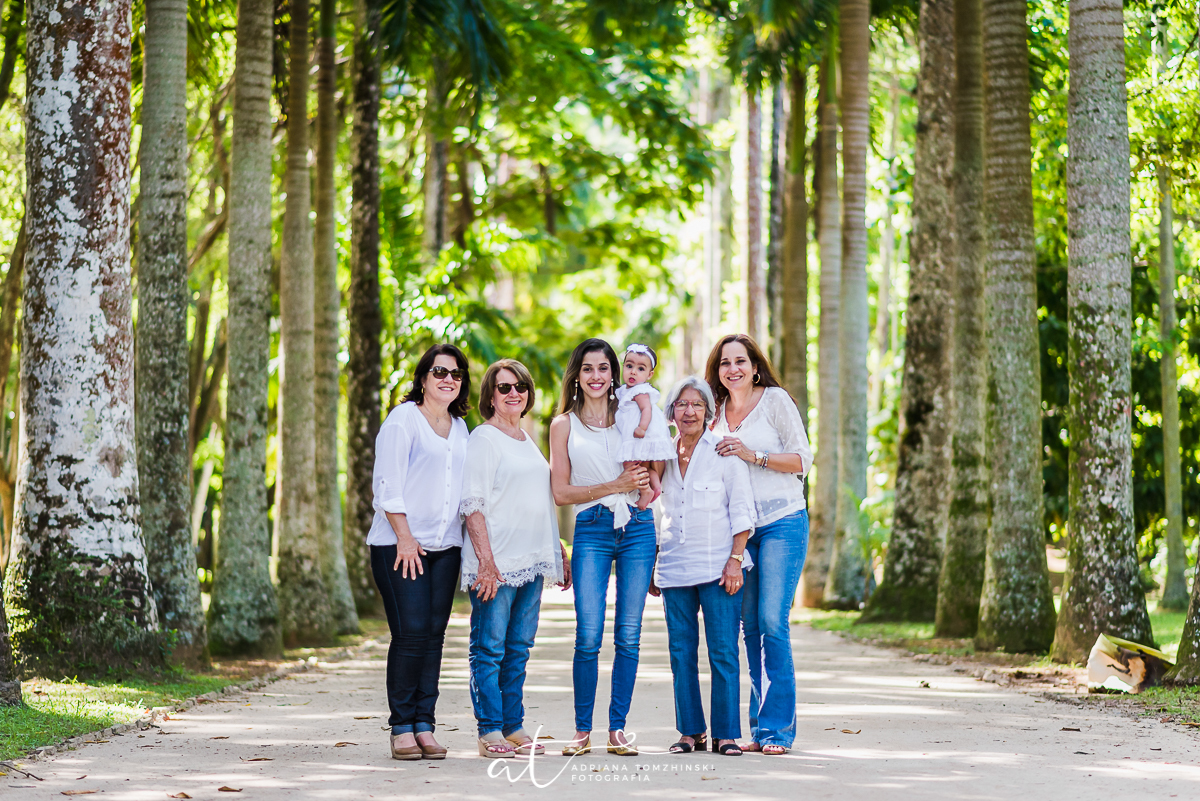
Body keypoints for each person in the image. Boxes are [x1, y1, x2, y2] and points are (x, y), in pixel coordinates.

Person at [706, 333, 813, 756]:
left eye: (740, 361)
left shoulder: (774, 401)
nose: (732, 369)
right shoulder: (713, 412)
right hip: (740, 531)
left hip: (782, 520)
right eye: (724, 363)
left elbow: (803, 459)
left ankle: (777, 732)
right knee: (749, 628)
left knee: (772, 621)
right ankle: (759, 728)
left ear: (754, 367)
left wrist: (754, 456)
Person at [548, 338, 653, 757]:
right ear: (577, 374)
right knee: (588, 635)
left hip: (638, 526)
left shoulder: (633, 414)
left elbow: (657, 461)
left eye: (604, 368)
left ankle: (617, 729)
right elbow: (560, 492)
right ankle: (581, 729)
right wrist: (614, 485)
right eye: (588, 368)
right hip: (591, 527)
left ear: (615, 374)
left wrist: (644, 489)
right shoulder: (562, 425)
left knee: (628, 635)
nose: (596, 376)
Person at [460, 359, 569, 759]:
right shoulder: (484, 439)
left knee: (519, 647)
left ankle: (513, 725)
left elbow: (538, 499)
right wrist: (486, 563)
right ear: (490, 394)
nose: (513, 393)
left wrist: (557, 548)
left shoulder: (526, 439)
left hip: (532, 561)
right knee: (488, 647)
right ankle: (489, 730)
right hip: (497, 564)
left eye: (520, 386)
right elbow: (472, 503)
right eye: (504, 387)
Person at [369, 344, 471, 761]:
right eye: (439, 372)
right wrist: (406, 537)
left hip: (446, 548)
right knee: (410, 635)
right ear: (424, 377)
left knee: (433, 638)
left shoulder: (461, 427)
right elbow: (387, 485)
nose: (448, 379)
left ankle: (425, 723)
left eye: (456, 374)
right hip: (400, 546)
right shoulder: (403, 420)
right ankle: (401, 727)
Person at [652, 376, 755, 758]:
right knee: (681, 653)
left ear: (709, 412)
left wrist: (734, 560)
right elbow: (655, 513)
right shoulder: (661, 456)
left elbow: (742, 511)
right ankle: (690, 731)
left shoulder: (723, 452)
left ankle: (726, 734)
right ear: (672, 413)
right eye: (681, 404)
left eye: (697, 404)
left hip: (719, 569)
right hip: (675, 568)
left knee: (723, 651)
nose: (689, 411)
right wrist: (653, 565)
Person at [614, 343, 674, 509]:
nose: (633, 371)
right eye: (629, 366)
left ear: (650, 374)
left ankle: (646, 490)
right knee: (644, 467)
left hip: (640, 434)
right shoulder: (625, 391)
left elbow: (646, 409)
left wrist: (642, 427)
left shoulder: (639, 391)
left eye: (641, 369)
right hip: (638, 435)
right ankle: (656, 486)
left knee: (630, 465)